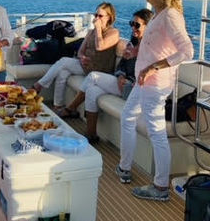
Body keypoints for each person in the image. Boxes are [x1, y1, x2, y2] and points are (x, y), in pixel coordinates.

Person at [116, 0, 194, 202]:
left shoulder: (170, 15)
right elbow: (159, 45)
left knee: (157, 133)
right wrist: (139, 53)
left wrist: (153, 67)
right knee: (127, 117)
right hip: (145, 81)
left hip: (155, 84)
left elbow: (187, 51)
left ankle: (160, 187)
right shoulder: (160, 14)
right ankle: (124, 168)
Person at [61, 8, 153, 144]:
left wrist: (130, 80)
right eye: (131, 23)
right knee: (92, 90)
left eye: (137, 25)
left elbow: (149, 72)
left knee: (93, 77)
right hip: (122, 84)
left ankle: (71, 108)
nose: (133, 27)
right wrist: (121, 75)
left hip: (134, 90)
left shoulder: (151, 48)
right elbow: (122, 65)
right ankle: (91, 134)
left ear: (148, 26)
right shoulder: (132, 43)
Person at [33, 2, 120, 110]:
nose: (97, 18)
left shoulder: (113, 33)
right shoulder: (90, 32)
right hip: (86, 66)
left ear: (109, 18)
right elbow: (80, 51)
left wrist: (98, 29)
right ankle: (57, 106)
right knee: (63, 72)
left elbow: (100, 47)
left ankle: (38, 85)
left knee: (64, 61)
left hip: (100, 71)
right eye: (95, 15)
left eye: (100, 16)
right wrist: (82, 57)